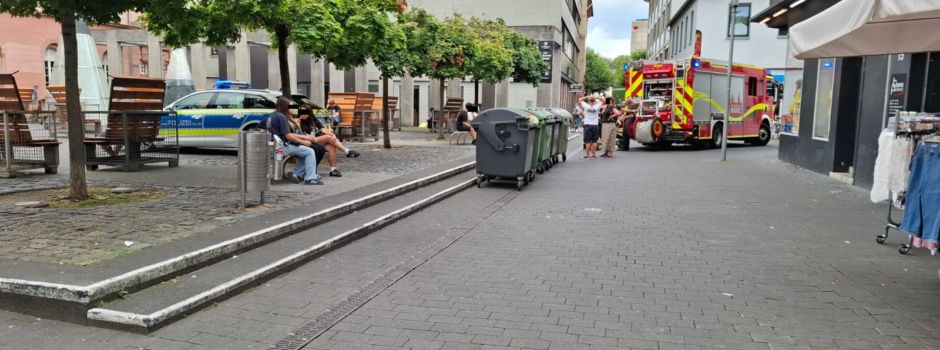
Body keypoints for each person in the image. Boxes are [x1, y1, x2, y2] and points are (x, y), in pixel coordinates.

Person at [268, 96, 324, 185]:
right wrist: (304, 141)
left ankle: (297, 174)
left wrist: (304, 138)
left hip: (274, 145)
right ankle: (310, 178)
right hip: (280, 147)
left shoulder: (274, 115)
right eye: (290, 106)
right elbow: (288, 136)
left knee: (305, 152)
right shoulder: (282, 117)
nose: (292, 108)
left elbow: (287, 134)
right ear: (285, 106)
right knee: (310, 151)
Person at [296, 103, 360, 178]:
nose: (303, 114)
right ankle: (347, 151)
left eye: (305, 112)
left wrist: (333, 135)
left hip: (315, 140)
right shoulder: (298, 121)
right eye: (301, 112)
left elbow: (322, 129)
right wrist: (297, 123)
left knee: (331, 147)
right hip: (306, 141)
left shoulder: (312, 119)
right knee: (328, 138)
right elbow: (301, 134)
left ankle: (333, 170)